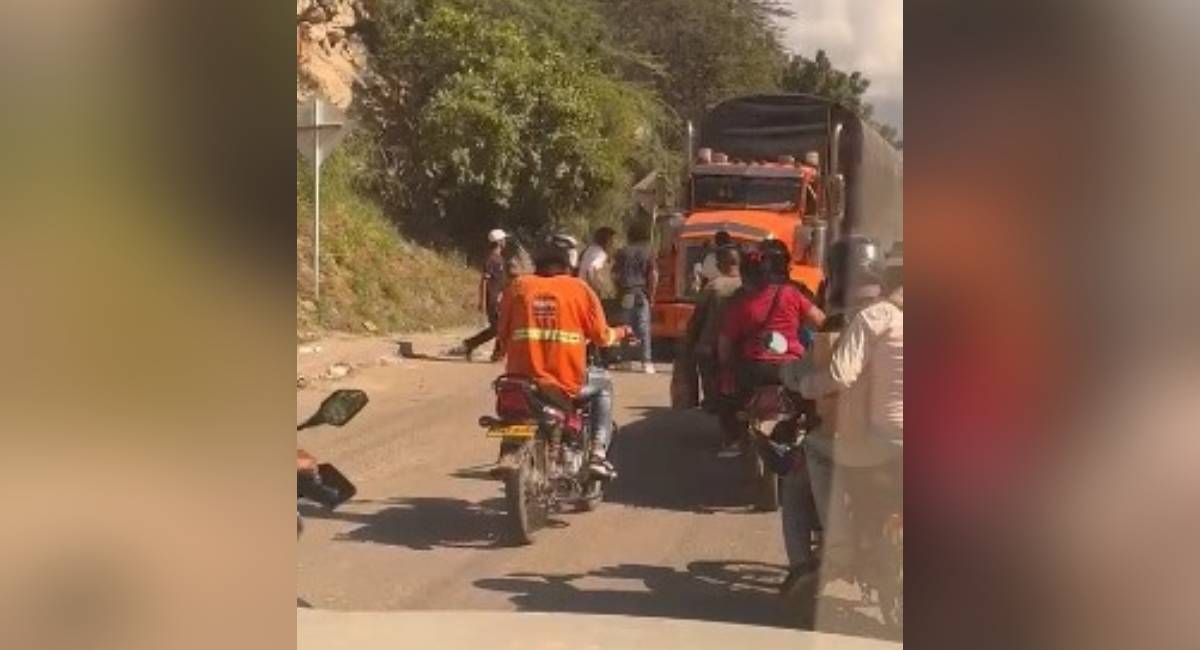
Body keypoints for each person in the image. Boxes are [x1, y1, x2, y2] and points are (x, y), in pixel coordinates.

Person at [778, 235, 903, 591]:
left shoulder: (853, 321)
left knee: (813, 451)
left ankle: (839, 549)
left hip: (877, 440)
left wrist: (800, 383)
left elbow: (837, 375)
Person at [496, 233, 633, 477]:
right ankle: (597, 454)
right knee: (603, 385)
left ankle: (512, 451)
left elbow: (502, 334)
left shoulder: (517, 287)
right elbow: (602, 336)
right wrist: (623, 332)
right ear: (569, 261)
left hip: (519, 380)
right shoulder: (579, 289)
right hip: (563, 383)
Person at [715, 239, 825, 457]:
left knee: (729, 397)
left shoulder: (740, 303)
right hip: (792, 367)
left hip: (754, 370)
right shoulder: (792, 293)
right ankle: (814, 439)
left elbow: (724, 346)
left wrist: (726, 369)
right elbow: (822, 322)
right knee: (815, 400)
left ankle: (734, 439)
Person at [685, 245, 742, 410]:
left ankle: (711, 399)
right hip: (741, 344)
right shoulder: (748, 286)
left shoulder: (714, 286)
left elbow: (698, 318)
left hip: (712, 344)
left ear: (722, 263)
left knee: (703, 358)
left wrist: (689, 341)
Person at [454, 229, 510, 361]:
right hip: (493, 299)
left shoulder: (500, 259)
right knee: (499, 327)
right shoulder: (492, 259)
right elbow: (484, 281)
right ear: (499, 242)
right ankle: (475, 346)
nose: (505, 242)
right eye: (504, 239)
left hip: (500, 298)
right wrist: (482, 301)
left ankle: (489, 350)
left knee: (499, 327)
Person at [612, 222, 658, 373]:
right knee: (644, 327)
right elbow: (653, 275)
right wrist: (652, 295)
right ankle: (647, 362)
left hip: (626, 292)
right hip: (641, 293)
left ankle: (626, 360)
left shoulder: (622, 252)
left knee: (626, 327)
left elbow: (615, 275)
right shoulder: (648, 251)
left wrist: (617, 290)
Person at [577, 226, 617, 297]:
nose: (612, 242)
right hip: (589, 290)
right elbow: (591, 269)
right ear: (606, 240)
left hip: (581, 287)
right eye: (611, 239)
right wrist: (595, 289)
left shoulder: (588, 250)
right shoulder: (600, 254)